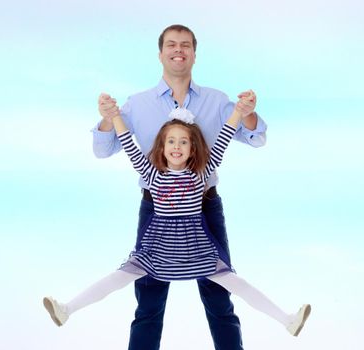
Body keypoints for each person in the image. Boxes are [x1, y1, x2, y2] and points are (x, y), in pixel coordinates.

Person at [43, 103, 311, 339]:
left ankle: (287, 320)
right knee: (118, 278)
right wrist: (114, 116)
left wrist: (239, 112)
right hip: (157, 248)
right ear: (162, 145)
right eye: (171, 141)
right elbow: (127, 142)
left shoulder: (201, 173)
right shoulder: (151, 174)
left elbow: (224, 140)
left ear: (193, 147)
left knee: (235, 283)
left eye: (183, 142)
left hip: (195, 248)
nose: (177, 147)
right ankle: (66, 309)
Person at [89, 24, 266, 350]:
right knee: (149, 295)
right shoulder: (137, 104)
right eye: (171, 44)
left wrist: (249, 114)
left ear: (195, 54)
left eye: (185, 45)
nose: (178, 50)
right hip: (155, 207)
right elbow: (105, 148)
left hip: (205, 207)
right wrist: (105, 118)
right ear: (160, 54)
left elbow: (254, 137)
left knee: (218, 292)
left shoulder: (216, 100)